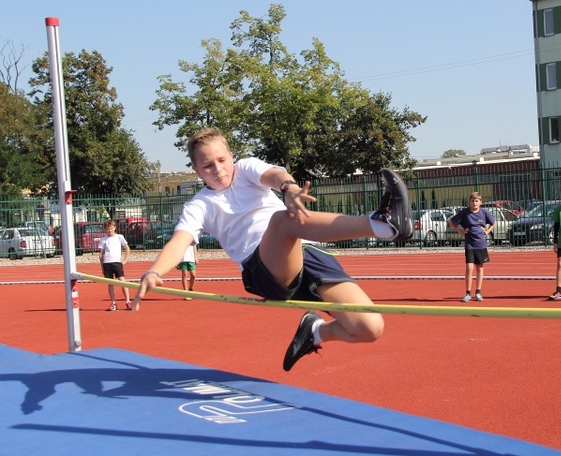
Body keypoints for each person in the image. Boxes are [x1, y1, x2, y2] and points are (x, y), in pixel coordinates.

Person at [134, 127, 413, 372]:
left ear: (232, 156)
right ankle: (383, 225)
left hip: (307, 253)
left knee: (370, 328)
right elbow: (180, 240)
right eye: (207, 166)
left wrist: (288, 187)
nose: (218, 169)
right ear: (196, 170)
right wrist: (155, 270)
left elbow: (273, 174)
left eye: (221, 160)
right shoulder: (200, 204)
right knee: (282, 221)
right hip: (263, 269)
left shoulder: (245, 169)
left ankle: (315, 331)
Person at [448, 192, 496, 302]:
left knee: (479, 268)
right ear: (469, 202)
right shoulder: (465, 213)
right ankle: (468, 293)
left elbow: (493, 222)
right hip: (469, 243)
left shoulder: (484, 213)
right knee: (469, 268)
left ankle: (478, 292)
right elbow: (451, 222)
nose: (474, 203)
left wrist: (487, 231)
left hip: (481, 244)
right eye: (472, 201)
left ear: (480, 202)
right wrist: (460, 232)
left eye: (476, 201)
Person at [99, 219, 131, 311]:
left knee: (122, 281)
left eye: (111, 228)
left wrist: (125, 260)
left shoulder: (119, 237)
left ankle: (128, 301)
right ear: (105, 229)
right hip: (107, 263)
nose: (110, 230)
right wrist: (102, 267)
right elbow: (101, 254)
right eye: (108, 229)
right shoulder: (103, 240)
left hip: (116, 262)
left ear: (115, 228)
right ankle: (113, 303)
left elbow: (127, 249)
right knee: (110, 283)